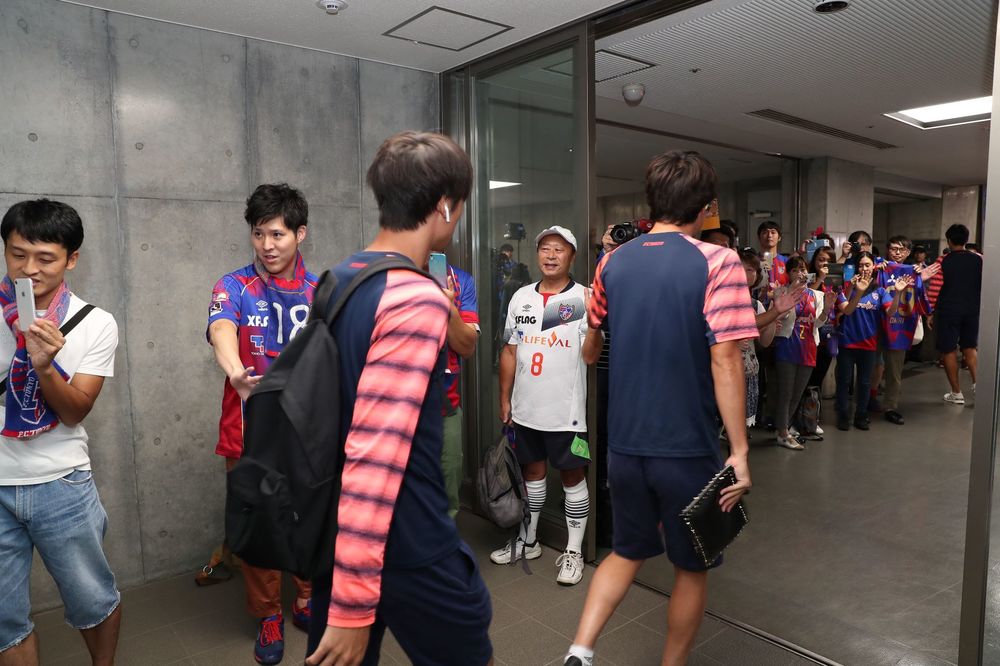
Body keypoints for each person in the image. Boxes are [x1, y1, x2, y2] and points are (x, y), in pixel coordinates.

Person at [305, 131, 492, 666]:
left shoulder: (340, 277)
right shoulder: (413, 296)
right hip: (403, 537)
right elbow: (376, 451)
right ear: (445, 207)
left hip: (340, 529)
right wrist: (352, 605)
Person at [564, 150, 755, 666]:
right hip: (686, 447)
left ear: (651, 200)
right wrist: (739, 451)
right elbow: (726, 360)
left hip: (625, 446)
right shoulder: (718, 262)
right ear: (706, 207)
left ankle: (580, 649)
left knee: (626, 551)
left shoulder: (612, 262)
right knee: (692, 567)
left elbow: (593, 340)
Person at [0, 200, 121, 665]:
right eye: (17, 254)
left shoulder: (96, 323)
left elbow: (75, 412)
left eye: (45, 258)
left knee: (93, 599)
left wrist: (45, 367)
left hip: (61, 482)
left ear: (71, 259)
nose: (28, 269)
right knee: (5, 620)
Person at [207, 183, 318, 665]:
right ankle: (268, 613)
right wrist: (236, 371)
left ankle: (307, 596)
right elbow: (221, 328)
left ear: (300, 234)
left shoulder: (321, 291)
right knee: (258, 524)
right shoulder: (232, 286)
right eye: (258, 234)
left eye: (277, 234)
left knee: (308, 517)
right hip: (248, 426)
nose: (267, 245)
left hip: (307, 430)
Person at [490, 225, 603, 586]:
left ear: (572, 256)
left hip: (566, 414)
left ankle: (573, 551)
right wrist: (505, 398)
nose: (551, 256)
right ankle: (529, 541)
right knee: (532, 476)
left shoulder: (584, 297)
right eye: (545, 249)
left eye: (559, 249)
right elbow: (510, 350)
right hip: (526, 409)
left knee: (572, 479)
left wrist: (595, 326)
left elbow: (590, 357)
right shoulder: (521, 296)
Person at [834, 252, 912, 431]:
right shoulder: (846, 288)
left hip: (869, 344)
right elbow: (847, 310)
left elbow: (891, 312)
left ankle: (861, 415)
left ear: (873, 267)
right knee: (844, 382)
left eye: (867, 265)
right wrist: (858, 290)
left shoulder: (880, 291)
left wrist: (898, 293)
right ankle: (843, 416)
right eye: (861, 265)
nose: (864, 268)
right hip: (847, 343)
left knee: (865, 383)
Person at [874, 236, 939, 425]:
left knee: (894, 371)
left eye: (901, 249)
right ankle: (867, 400)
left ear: (908, 252)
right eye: (893, 248)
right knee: (872, 366)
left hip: (900, 327)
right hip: (877, 324)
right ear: (887, 249)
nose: (897, 253)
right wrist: (876, 267)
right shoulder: (880, 268)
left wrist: (928, 312)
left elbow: (921, 299)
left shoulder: (914, 272)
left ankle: (890, 406)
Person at [772, 256, 834, 450]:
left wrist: (827, 309)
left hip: (808, 347)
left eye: (803, 270)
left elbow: (818, 324)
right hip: (787, 346)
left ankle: (785, 428)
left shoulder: (816, 295)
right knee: (785, 392)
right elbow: (779, 315)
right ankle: (782, 432)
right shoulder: (781, 292)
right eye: (795, 270)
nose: (800, 273)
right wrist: (791, 292)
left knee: (797, 393)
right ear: (788, 274)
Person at [927, 224, 982, 404]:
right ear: (966, 240)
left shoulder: (942, 261)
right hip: (972, 310)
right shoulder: (980, 259)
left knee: (948, 349)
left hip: (948, 310)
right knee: (970, 347)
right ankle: (979, 387)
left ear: (949, 240)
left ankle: (956, 393)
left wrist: (930, 311)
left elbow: (935, 289)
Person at [440, 263, 479, 518]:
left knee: (449, 475)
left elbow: (467, 347)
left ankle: (444, 538)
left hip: (446, 403)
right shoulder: (392, 272)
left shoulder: (460, 280)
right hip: (399, 405)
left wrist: (449, 308)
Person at [756, 220, 787, 287]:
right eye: (765, 232)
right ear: (759, 237)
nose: (769, 235)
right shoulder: (753, 261)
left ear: (779, 237)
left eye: (773, 232)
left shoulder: (785, 261)